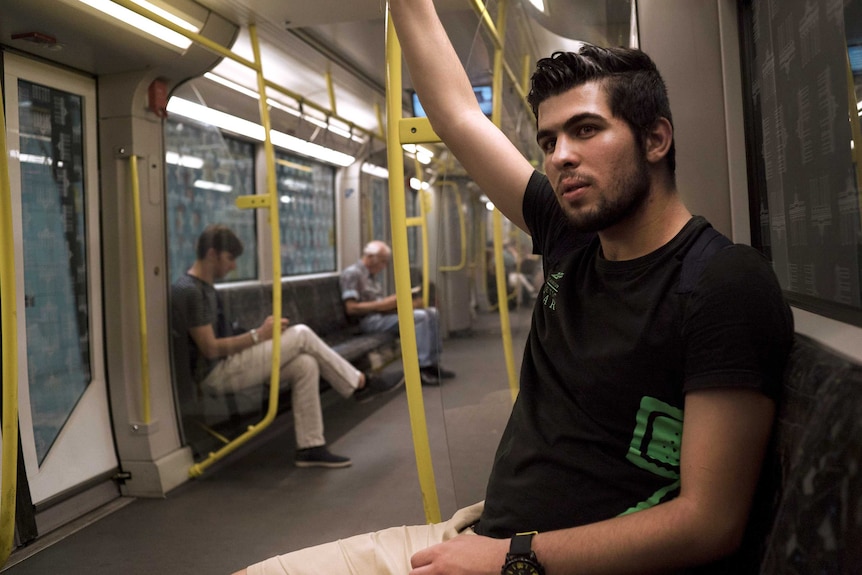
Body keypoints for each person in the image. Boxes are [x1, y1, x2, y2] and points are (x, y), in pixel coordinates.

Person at [233, 0, 793, 573]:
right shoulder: (570, 233)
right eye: (548, 141)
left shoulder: (723, 282)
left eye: (585, 129)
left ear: (655, 140)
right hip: (486, 533)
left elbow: (708, 523)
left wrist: (511, 558)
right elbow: (457, 116)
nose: (561, 156)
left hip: (535, 559)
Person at [172, 224, 402, 469]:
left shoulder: (203, 289)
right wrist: (259, 336)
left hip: (232, 361)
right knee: (301, 334)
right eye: (229, 259)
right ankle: (360, 384)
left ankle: (310, 447)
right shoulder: (190, 291)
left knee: (305, 364)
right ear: (211, 254)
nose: (233, 266)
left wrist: (262, 335)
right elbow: (209, 348)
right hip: (215, 373)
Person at [340, 240, 454, 386]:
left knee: (431, 312)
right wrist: (382, 304)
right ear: (370, 257)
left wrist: (398, 304)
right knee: (419, 318)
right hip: (368, 321)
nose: (384, 266)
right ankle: (422, 367)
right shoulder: (352, 274)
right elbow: (351, 307)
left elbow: (379, 305)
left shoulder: (370, 276)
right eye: (382, 261)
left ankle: (432, 363)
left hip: (380, 315)